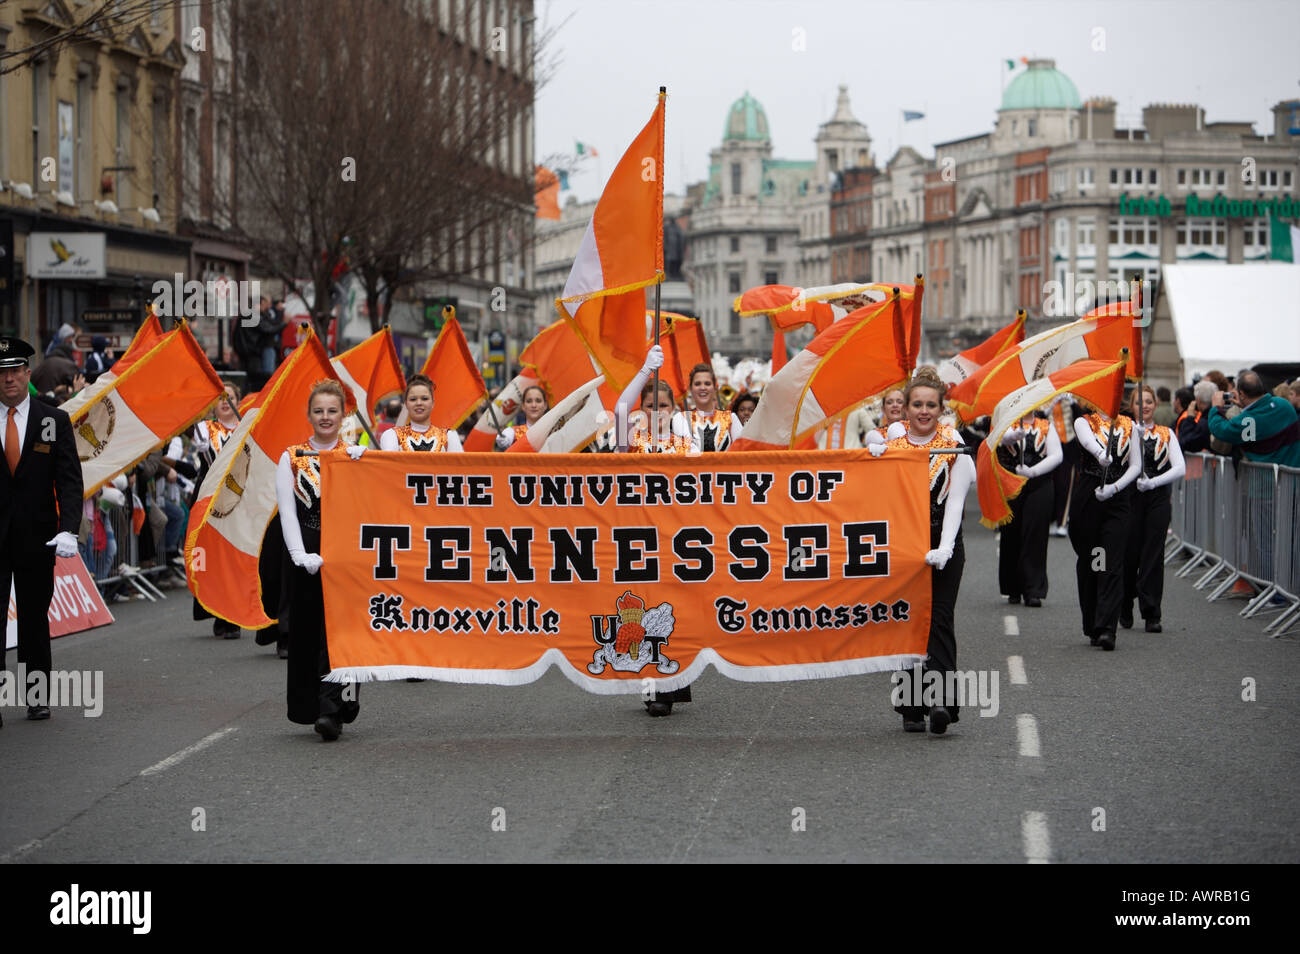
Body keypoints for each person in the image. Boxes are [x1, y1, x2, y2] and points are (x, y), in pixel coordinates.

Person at [877, 367, 974, 734]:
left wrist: (945, 547)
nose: (923, 411)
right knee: (906, 621)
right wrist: (868, 462)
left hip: (943, 543)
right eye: (916, 403)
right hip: (903, 546)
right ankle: (910, 707)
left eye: (930, 405)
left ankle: (943, 704)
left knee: (940, 619)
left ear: (940, 408)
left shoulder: (954, 447)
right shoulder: (892, 447)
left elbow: (955, 505)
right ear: (904, 408)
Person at [0, 337, 83, 724]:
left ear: (27, 374)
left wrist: (69, 529)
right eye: (1, 373)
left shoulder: (53, 420)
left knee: (34, 618)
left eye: (15, 371)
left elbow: (69, 480)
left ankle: (36, 696)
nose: (8, 380)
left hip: (37, 536)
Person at [277, 380, 366, 740]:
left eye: (332, 411)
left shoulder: (358, 455)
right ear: (309, 415)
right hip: (308, 549)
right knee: (309, 631)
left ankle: (337, 708)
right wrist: (300, 554)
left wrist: (369, 466)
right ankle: (312, 704)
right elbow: (288, 512)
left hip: (347, 552)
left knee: (345, 634)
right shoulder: (292, 457)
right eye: (319, 411)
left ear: (343, 414)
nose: (325, 417)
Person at [614, 347, 693, 715]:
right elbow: (618, 409)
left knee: (675, 611)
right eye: (649, 406)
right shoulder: (632, 440)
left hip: (677, 538)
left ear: (673, 410)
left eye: (663, 406)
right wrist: (645, 369)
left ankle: (673, 682)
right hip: (640, 537)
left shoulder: (685, 443)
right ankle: (651, 687)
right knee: (643, 611)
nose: (655, 412)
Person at [1069, 400, 1142, 650]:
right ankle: (1092, 622)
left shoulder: (1129, 425)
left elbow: (1136, 465)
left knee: (1112, 561)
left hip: (1117, 496)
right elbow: (1088, 441)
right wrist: (1101, 454)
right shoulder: (1083, 421)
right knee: (1091, 560)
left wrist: (1115, 487)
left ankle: (1107, 628)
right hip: (1089, 494)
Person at [1122, 385, 1185, 634]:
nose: (1145, 406)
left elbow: (1179, 467)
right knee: (1128, 553)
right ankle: (1124, 602)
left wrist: (1154, 482)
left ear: (1155, 405)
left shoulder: (1166, 433)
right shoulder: (1124, 432)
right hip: (1129, 498)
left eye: (1149, 401)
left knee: (1153, 555)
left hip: (1157, 498)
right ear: (1132, 406)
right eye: (1140, 402)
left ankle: (1151, 613)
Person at [996, 410, 1062, 607]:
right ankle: (1012, 588)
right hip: (1011, 484)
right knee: (1011, 533)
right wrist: (1013, 436)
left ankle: (1033, 589)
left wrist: (1033, 471)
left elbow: (1057, 455)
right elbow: (1000, 439)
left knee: (1035, 534)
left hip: (1039, 485)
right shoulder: (1007, 422)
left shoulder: (1045, 426)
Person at [1207, 370, 1300, 467]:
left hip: (1266, 479)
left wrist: (1216, 408)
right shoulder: (1284, 405)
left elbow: (1221, 430)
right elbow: (1263, 415)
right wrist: (1245, 406)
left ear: (1242, 394)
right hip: (1293, 476)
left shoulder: (1248, 420)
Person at [685, 363, 742, 452]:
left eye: (707, 383)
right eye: (697, 384)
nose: (702, 387)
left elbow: (742, 453)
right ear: (690, 389)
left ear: (715, 388)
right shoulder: (682, 419)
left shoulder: (731, 418)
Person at [494, 385, 549, 450]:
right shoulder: (513, 432)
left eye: (538, 401)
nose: (534, 405)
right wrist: (502, 439)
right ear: (523, 406)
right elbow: (505, 438)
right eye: (529, 401)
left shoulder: (554, 432)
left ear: (545, 405)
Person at [1177, 380, 1214, 452]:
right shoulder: (1216, 415)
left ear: (1198, 400)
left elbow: (1187, 442)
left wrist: (1190, 418)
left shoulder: (1204, 421)